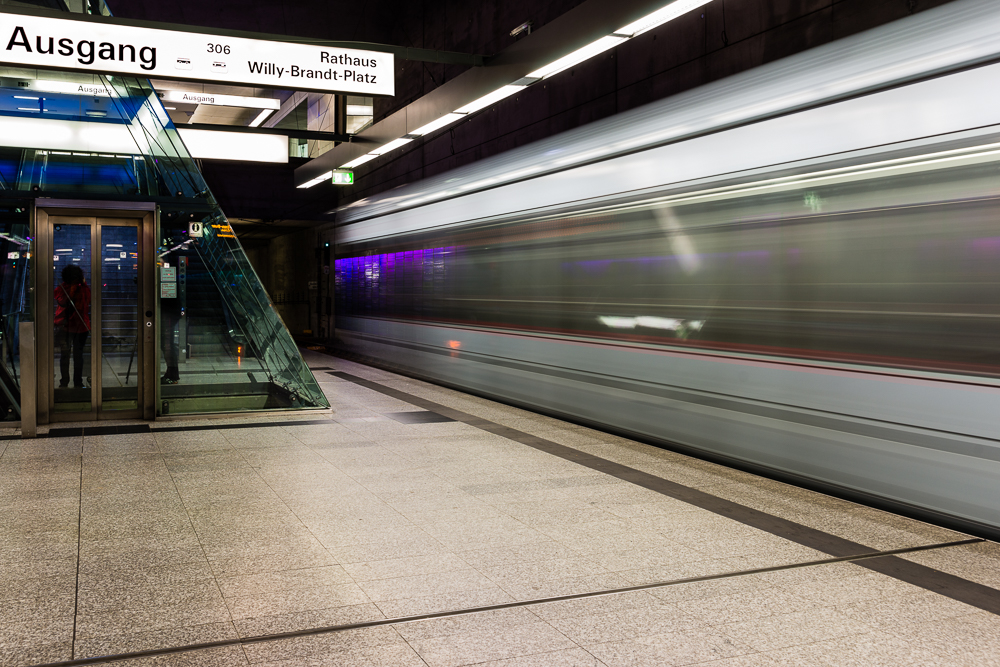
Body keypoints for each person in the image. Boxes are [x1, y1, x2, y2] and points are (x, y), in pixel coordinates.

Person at [54, 264, 91, 388]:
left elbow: (63, 302)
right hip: (76, 326)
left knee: (68, 355)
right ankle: (75, 382)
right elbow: (65, 303)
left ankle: (66, 382)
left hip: (70, 326)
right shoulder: (81, 289)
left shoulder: (63, 288)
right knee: (75, 355)